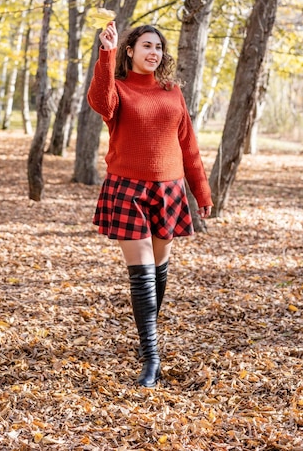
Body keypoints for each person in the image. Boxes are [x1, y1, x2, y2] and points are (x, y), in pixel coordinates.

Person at [87, 21, 213, 388]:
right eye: (145, 46)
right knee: (141, 272)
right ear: (131, 50)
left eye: (158, 47)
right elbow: (100, 100)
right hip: (127, 189)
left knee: (158, 271)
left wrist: (201, 191)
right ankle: (151, 359)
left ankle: (148, 339)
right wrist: (105, 53)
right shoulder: (119, 90)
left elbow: (188, 145)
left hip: (169, 190)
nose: (153, 52)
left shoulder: (172, 92)